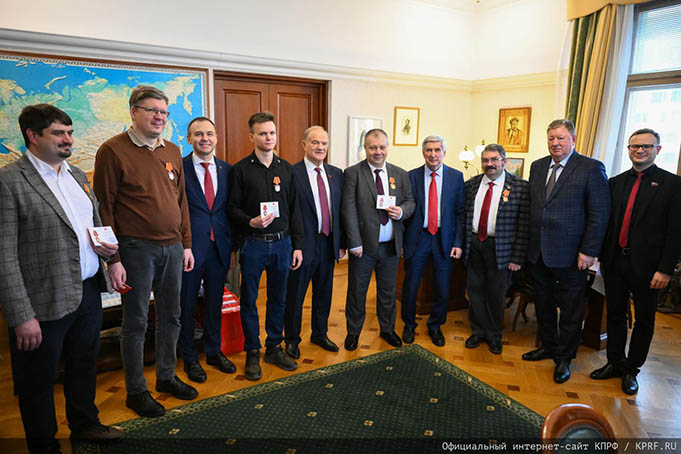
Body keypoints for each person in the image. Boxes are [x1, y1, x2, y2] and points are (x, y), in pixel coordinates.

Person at [0, 104, 123, 453]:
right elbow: (3, 254)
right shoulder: (9, 181)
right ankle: (44, 445)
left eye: (69, 132)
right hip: (42, 301)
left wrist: (111, 258)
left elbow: (94, 225)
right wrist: (21, 315)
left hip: (88, 291)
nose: (68, 139)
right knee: (37, 380)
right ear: (32, 135)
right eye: (58, 133)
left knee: (84, 364)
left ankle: (85, 425)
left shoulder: (77, 175)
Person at [94, 85, 197, 418]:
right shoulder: (112, 151)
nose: (159, 117)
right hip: (135, 250)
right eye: (153, 110)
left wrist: (186, 244)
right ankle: (136, 391)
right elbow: (104, 208)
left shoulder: (172, 150)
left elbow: (181, 201)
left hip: (172, 248)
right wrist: (113, 259)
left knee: (172, 316)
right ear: (134, 112)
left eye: (164, 112)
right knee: (136, 321)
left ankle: (166, 376)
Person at [590, 128, 681, 395]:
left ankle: (632, 369)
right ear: (628, 149)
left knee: (644, 320)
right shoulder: (615, 182)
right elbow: (608, 224)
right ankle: (615, 363)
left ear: (658, 150)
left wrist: (665, 269)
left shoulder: (673, 185)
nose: (640, 150)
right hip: (615, 262)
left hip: (650, 268)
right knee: (615, 314)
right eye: (635, 146)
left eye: (646, 146)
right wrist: (602, 258)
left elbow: (675, 232)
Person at [523, 119, 610, 384]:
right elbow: (535, 206)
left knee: (571, 309)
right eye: (551, 138)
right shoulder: (538, 166)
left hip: (572, 254)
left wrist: (589, 251)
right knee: (543, 304)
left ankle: (564, 358)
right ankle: (548, 346)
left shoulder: (590, 168)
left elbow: (599, 214)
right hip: (539, 251)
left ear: (573, 139)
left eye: (561, 138)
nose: (555, 143)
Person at [227, 111, 303, 380]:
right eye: (262, 133)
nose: (268, 137)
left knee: (278, 298)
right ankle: (252, 349)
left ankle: (273, 346)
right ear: (252, 137)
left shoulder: (286, 169)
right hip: (253, 244)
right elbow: (232, 209)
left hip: (283, 245)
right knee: (249, 299)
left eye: (272, 132)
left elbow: (295, 210)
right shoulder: (240, 170)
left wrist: (297, 246)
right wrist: (250, 222)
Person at [342, 128, 415, 350]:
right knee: (357, 292)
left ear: (387, 147)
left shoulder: (400, 174)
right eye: (372, 147)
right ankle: (353, 332)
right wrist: (354, 242)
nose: (378, 152)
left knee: (387, 292)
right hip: (363, 247)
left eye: (382, 147)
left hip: (390, 246)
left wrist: (401, 211)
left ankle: (387, 329)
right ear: (365, 148)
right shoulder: (353, 173)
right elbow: (348, 209)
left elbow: (410, 202)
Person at [179, 117, 237, 383]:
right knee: (187, 305)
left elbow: (230, 211)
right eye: (199, 134)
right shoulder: (178, 169)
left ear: (216, 137)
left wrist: (233, 247)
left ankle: (214, 351)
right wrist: (183, 245)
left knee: (214, 303)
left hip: (219, 248)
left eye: (209, 134)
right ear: (189, 138)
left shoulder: (228, 170)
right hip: (189, 250)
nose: (205, 139)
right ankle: (189, 357)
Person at [284, 126, 345, 359]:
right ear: (304, 145)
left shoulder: (336, 174)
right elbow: (287, 213)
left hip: (328, 243)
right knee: (295, 296)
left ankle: (320, 333)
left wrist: (341, 242)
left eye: (324, 143)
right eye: (315, 142)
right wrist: (294, 246)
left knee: (324, 293)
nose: (320, 147)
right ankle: (292, 339)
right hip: (302, 246)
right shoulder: (292, 173)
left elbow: (340, 211)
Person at [463, 144, 529, 354]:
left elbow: (523, 225)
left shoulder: (520, 187)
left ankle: (493, 335)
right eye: (485, 160)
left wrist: (517, 258)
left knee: (496, 293)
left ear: (504, 161)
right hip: (474, 243)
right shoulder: (471, 184)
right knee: (474, 291)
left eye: (494, 159)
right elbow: (464, 216)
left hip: (501, 249)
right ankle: (478, 331)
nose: (489, 164)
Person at [401, 135, 464, 347]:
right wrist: (402, 242)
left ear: (444, 152)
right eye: (429, 150)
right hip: (417, 238)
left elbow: (460, 213)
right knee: (411, 285)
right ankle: (409, 324)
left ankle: (435, 326)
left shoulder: (456, 177)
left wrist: (457, 242)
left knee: (443, 287)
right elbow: (405, 212)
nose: (433, 154)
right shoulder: (411, 176)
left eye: (437, 150)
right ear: (423, 152)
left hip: (444, 239)